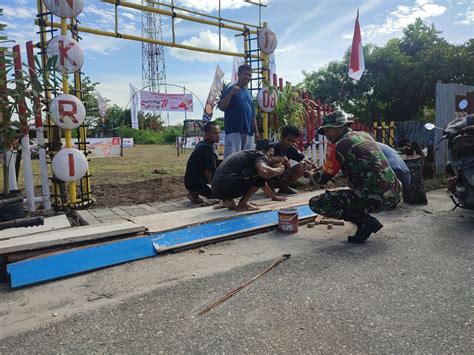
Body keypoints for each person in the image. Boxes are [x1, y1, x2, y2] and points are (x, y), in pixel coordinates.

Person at [308, 111, 402, 243]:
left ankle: (365, 222)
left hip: (377, 198)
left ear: (338, 127)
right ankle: (364, 224)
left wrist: (309, 175)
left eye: (327, 130)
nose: (326, 135)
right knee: (352, 188)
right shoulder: (364, 135)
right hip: (396, 193)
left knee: (317, 202)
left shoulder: (341, 145)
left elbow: (320, 180)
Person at [211, 147, 285, 211]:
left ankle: (226, 200)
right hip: (226, 184)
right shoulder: (260, 155)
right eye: (270, 155)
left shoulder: (250, 155)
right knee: (260, 175)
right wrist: (277, 170)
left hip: (216, 190)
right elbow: (263, 173)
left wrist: (274, 197)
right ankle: (243, 204)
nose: (269, 159)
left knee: (256, 176)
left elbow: (262, 184)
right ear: (264, 151)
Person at [218, 64, 259, 158]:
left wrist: (256, 132)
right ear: (239, 74)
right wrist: (231, 94)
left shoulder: (249, 94)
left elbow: (253, 115)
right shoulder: (230, 89)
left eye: (250, 75)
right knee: (231, 160)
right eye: (246, 74)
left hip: (248, 132)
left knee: (248, 160)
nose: (248, 77)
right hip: (233, 130)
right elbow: (221, 107)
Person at [268, 125, 312, 194]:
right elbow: (264, 160)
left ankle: (284, 187)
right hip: (268, 179)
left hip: (282, 177)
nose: (290, 143)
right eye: (289, 140)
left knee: (302, 166)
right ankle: (270, 189)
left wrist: (304, 165)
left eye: (293, 142)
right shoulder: (271, 147)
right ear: (282, 137)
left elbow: (305, 158)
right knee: (276, 164)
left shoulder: (291, 149)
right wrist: (281, 159)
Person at [184, 121, 221, 203]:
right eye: (215, 133)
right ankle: (196, 191)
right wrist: (212, 187)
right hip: (196, 183)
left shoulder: (201, 144)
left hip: (189, 182)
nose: (218, 136)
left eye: (219, 133)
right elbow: (209, 172)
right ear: (207, 134)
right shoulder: (207, 148)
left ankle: (194, 191)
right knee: (223, 193)